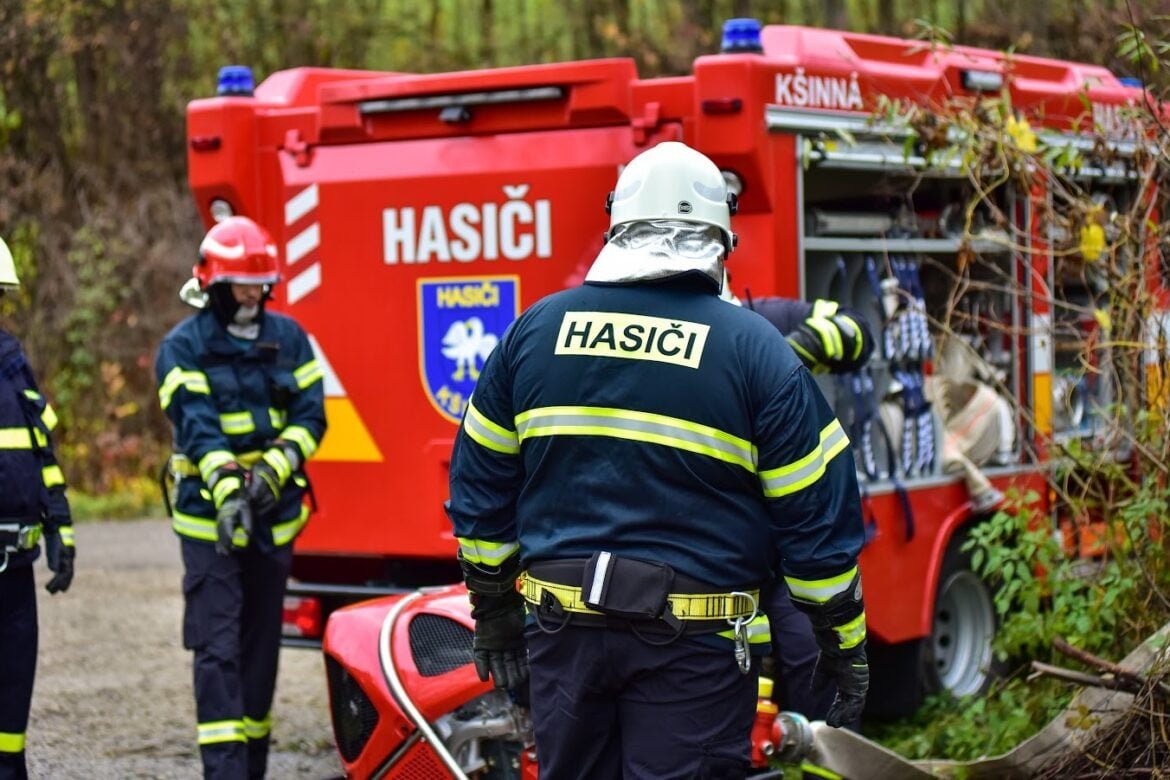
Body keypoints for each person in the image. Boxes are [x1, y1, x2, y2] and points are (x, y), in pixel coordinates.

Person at [446, 141, 869, 779]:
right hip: (692, 653)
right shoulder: (757, 351)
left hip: (561, 637)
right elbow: (816, 512)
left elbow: (479, 486)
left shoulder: (534, 332)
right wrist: (840, 640)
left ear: (616, 223)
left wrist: (496, 612)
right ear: (721, 239)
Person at [155, 216, 326, 779]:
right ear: (211, 284)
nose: (251, 295)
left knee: (259, 653)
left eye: (259, 285)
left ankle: (252, 767)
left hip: (273, 521)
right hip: (211, 527)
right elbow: (198, 425)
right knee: (218, 651)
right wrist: (230, 490)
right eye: (240, 286)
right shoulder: (181, 348)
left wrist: (272, 474)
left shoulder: (291, 339)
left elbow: (310, 417)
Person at [722, 276, 877, 728]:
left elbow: (859, 330)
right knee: (726, 687)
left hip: (788, 554)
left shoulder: (766, 317)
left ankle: (830, 760)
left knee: (817, 671)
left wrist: (798, 347)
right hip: (723, 556)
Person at [0, 236, 76, 780]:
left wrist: (60, 525)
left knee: (15, 677)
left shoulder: (10, 360)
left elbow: (40, 447)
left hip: (16, 561)